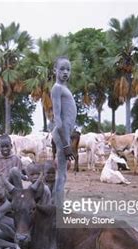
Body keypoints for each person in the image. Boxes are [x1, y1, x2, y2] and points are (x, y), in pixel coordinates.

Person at [51, 56, 77, 208]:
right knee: (61, 175)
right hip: (62, 135)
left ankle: (58, 205)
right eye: (62, 69)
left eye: (68, 69)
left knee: (63, 174)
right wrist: (66, 145)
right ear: (55, 70)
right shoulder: (57, 88)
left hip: (65, 134)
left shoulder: (64, 89)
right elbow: (58, 119)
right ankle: (58, 208)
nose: (65, 72)